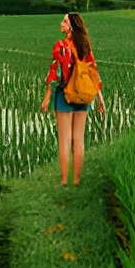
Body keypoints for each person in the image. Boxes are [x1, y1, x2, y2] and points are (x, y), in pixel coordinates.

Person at [40, 11, 105, 185]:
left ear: (71, 27)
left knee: (64, 139)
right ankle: (76, 179)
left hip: (65, 95)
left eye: (64, 21)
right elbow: (93, 71)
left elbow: (56, 74)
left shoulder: (62, 46)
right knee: (79, 138)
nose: (61, 23)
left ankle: (63, 180)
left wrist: (47, 95)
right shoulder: (85, 45)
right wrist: (100, 98)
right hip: (84, 96)